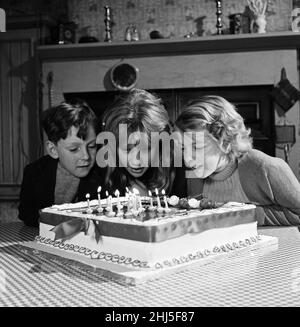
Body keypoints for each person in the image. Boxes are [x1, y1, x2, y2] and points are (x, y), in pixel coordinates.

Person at [175, 95, 300, 226]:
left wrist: (245, 214)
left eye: (196, 146)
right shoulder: (195, 173)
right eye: (183, 148)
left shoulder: (266, 167)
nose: (187, 160)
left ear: (224, 140)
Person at [18, 99, 102, 227]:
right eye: (74, 149)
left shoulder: (103, 174)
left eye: (92, 146)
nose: (86, 156)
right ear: (53, 150)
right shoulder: (34, 172)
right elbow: (26, 214)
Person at [97, 88, 180, 197]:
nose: (136, 162)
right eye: (127, 149)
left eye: (146, 149)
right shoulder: (97, 174)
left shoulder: (179, 171)